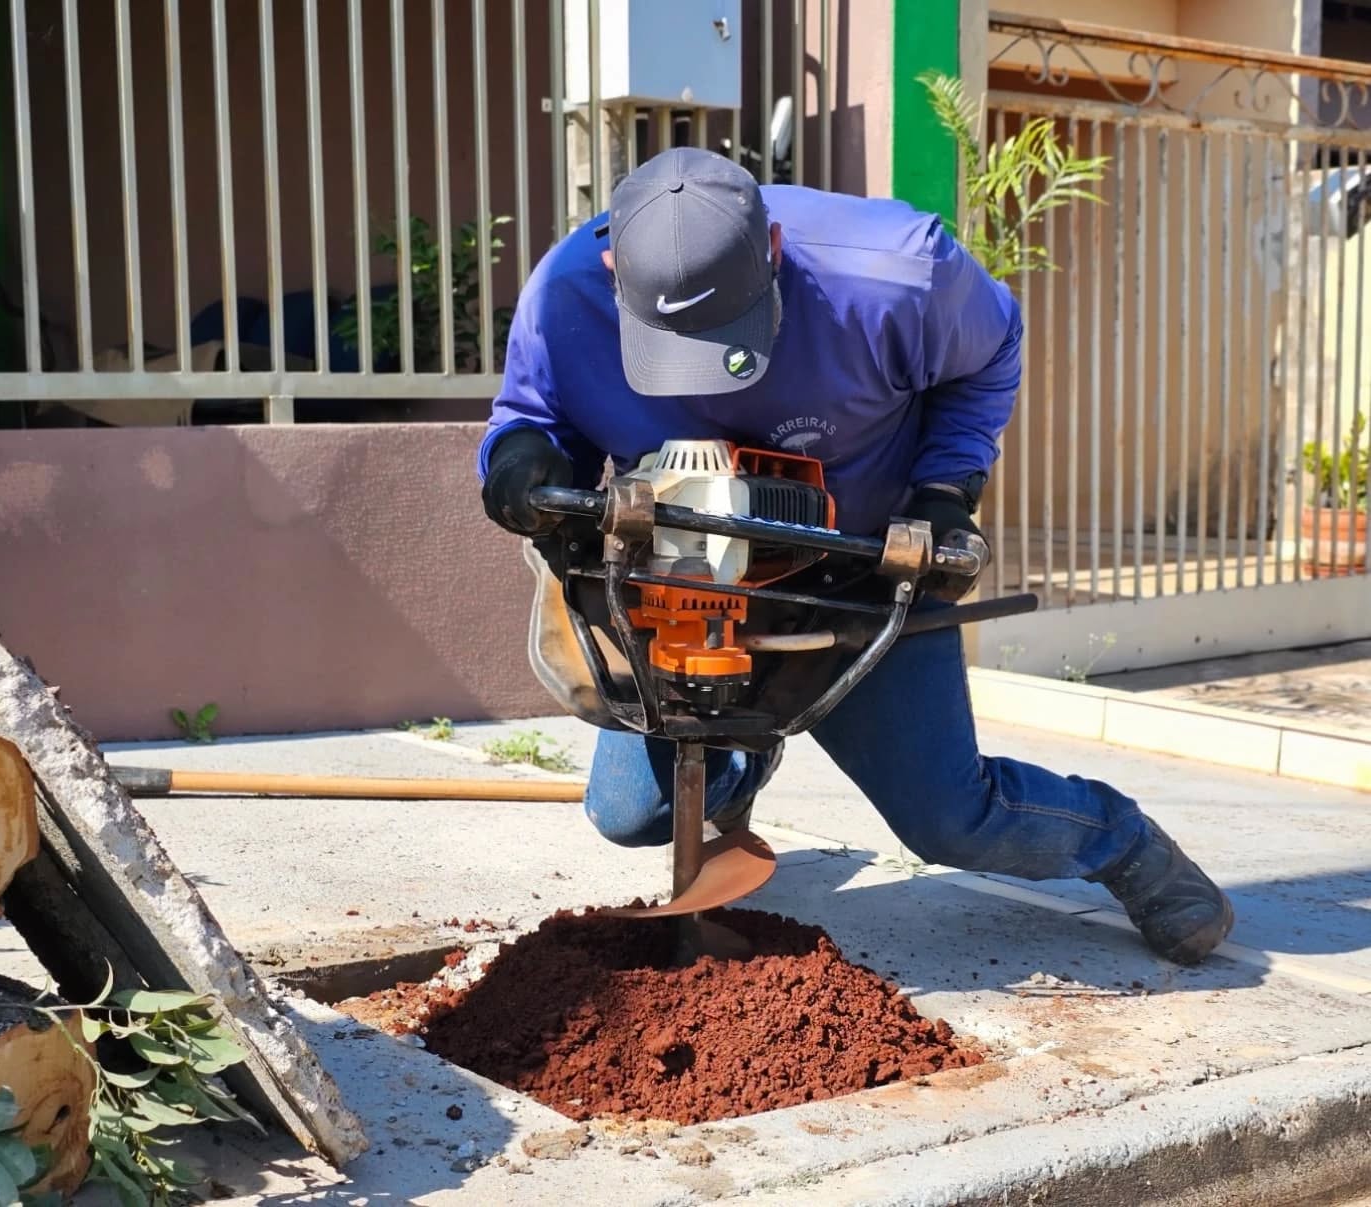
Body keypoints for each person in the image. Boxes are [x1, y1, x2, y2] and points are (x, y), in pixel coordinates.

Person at [475, 146, 1234, 966]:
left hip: (864, 575)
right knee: (633, 813)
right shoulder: (565, 295)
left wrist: (946, 489)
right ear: (614, 271)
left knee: (951, 821)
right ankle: (745, 756)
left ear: (774, 248)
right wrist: (521, 463)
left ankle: (1125, 843)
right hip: (687, 584)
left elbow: (991, 352)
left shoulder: (896, 275)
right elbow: (530, 414)